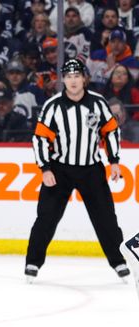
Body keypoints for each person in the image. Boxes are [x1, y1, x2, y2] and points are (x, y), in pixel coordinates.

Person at [27, 58, 129, 282]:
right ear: (63, 79)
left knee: (106, 219)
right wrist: (45, 168)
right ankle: (32, 263)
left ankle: (119, 261)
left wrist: (114, 161)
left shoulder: (98, 103)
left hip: (91, 170)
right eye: (69, 76)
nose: (73, 81)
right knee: (46, 217)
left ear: (84, 78)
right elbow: (40, 139)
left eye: (77, 76)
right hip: (59, 169)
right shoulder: (53, 105)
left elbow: (111, 131)